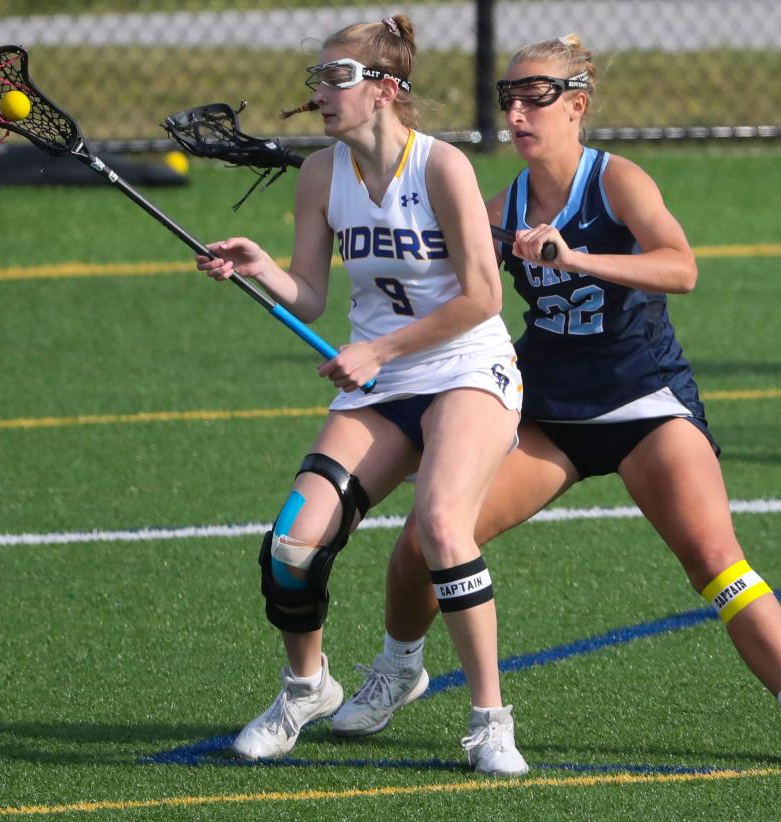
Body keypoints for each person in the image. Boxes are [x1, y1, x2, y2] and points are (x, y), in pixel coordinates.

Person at [331, 34, 781, 764]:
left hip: (643, 405)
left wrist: (572, 255)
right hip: (547, 413)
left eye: (536, 97)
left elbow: (681, 269)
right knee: (430, 536)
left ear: (577, 106)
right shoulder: (500, 206)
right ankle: (399, 668)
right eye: (509, 98)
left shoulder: (617, 181)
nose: (518, 111)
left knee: (715, 556)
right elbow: (446, 285)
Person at [196, 15, 529, 776]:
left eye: (335, 78)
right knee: (291, 544)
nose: (318, 93)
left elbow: (482, 297)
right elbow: (310, 296)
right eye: (316, 77)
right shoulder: (322, 175)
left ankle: (489, 720)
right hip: (382, 385)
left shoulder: (441, 168)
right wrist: (259, 269)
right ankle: (305, 687)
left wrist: (377, 348)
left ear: (384, 90)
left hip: (467, 372)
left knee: (443, 527)